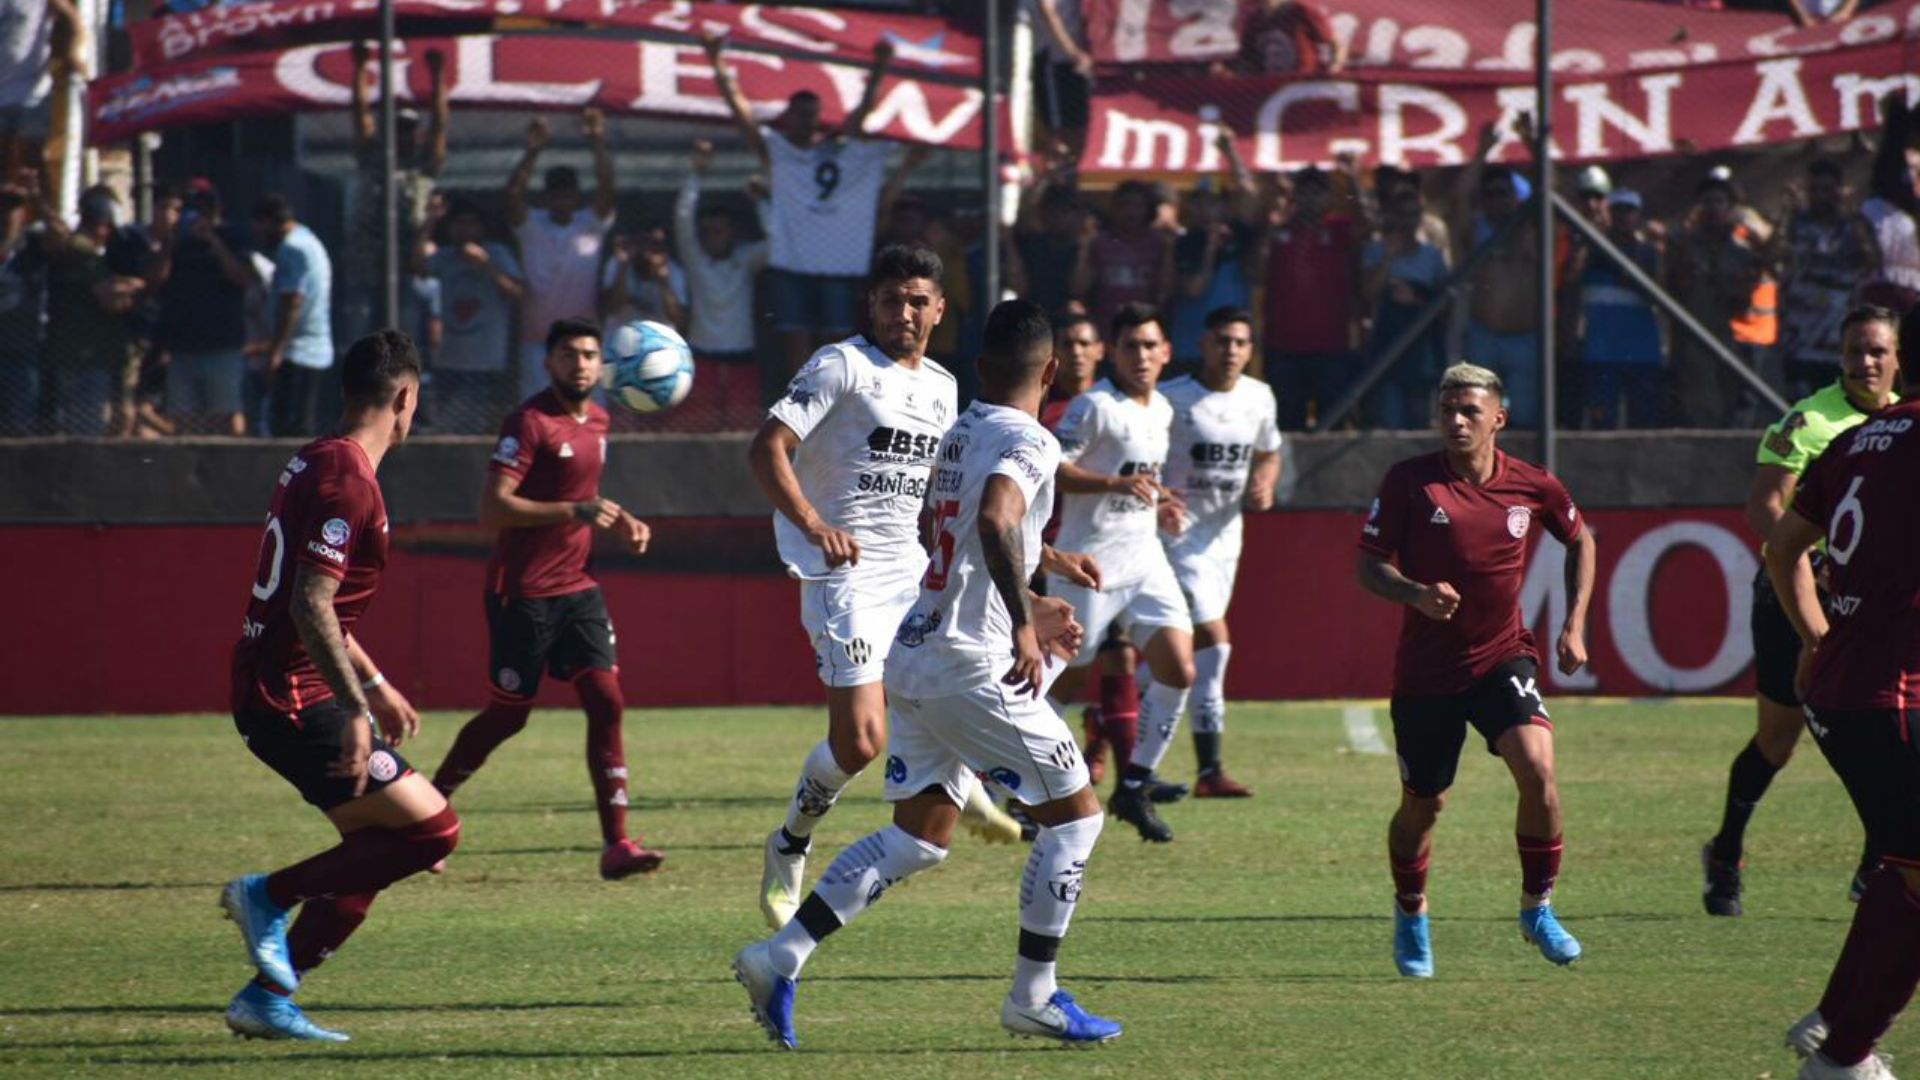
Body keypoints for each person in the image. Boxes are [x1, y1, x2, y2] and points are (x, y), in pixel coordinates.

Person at [730, 298, 1122, 1049]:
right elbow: (997, 518)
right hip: (966, 663)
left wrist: (1029, 593)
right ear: (1052, 371)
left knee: (921, 836)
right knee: (1077, 819)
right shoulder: (1030, 439)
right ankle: (1033, 995)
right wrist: (1018, 619)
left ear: (980, 368)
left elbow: (935, 528)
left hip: (911, 646)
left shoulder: (960, 430)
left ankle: (777, 958)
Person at [746, 244, 1021, 931]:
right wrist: (814, 524)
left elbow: (937, 492)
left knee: (955, 682)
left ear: (939, 308)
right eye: (891, 300)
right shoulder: (841, 364)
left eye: (917, 300)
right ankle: (789, 843)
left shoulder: (942, 386)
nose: (905, 312)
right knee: (863, 740)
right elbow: (766, 447)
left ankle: (962, 787)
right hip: (840, 570)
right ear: (872, 304)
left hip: (909, 566)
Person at [221, 329, 459, 1041]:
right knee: (436, 832)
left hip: (275, 685)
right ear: (406, 398)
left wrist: (376, 681)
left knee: (370, 860)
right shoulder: (348, 481)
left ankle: (266, 999)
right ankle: (265, 895)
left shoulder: (318, 459)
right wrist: (356, 707)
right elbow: (309, 604)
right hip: (290, 697)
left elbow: (317, 599)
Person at [1355, 361, 1597, 978]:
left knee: (1539, 768)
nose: (1456, 421)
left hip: (1501, 656)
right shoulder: (1411, 482)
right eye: (1446, 411)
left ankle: (1537, 908)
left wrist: (1574, 624)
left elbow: (1581, 538)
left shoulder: (1531, 484)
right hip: (1427, 675)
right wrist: (1414, 593)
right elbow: (1368, 565)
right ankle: (1411, 912)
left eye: (1468, 411)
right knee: (1423, 808)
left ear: (1499, 417)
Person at [429, 316, 662, 876]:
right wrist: (574, 512)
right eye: (567, 354)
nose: (578, 363)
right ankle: (426, 809)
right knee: (508, 716)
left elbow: (581, 492)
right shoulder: (529, 422)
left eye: (587, 355)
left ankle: (617, 846)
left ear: (601, 365)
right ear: (548, 362)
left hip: (578, 588)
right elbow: (493, 508)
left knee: (607, 701)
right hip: (523, 594)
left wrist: (618, 515)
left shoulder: (600, 418)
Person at [1702, 306, 1902, 917]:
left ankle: (1880, 864)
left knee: (1888, 729)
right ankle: (1726, 850)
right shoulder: (1810, 421)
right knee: (1779, 739)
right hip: (1793, 595)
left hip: (1874, 604)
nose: (1864, 362)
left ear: (1898, 358)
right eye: (1853, 352)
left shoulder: (1905, 422)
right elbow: (1764, 507)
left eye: (1875, 351)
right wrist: (1810, 563)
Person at [1762, 308, 1917, 1080]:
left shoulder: (1856, 440)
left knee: (1904, 861)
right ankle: (1845, 1058)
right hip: (1897, 694)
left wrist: (1819, 636)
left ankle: (1832, 1029)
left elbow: (1784, 545)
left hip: (1844, 688)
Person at [1046, 303, 1197, 841]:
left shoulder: (1161, 409)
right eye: (1130, 346)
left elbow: (1140, 479)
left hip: (1146, 558)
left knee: (1180, 668)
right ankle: (1016, 782)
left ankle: (1134, 785)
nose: (1141, 356)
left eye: (1150, 346)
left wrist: (1160, 505)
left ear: (1166, 353)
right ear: (1116, 352)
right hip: (1089, 561)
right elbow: (1053, 470)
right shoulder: (1093, 406)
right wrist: (1113, 486)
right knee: (1054, 680)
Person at [703, 30, 894, 380]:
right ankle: (802, 404)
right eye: (802, 114)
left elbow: (864, 110)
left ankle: (834, 401)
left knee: (837, 340)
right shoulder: (778, 151)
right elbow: (741, 113)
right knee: (796, 338)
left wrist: (880, 67)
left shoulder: (836, 147)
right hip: (793, 260)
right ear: (789, 115)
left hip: (836, 260)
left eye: (813, 114)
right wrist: (718, 63)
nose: (808, 121)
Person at [1150, 307, 1280, 796]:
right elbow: (1141, 452)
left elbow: (1268, 450)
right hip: (1176, 538)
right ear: (1204, 344)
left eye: (1240, 343)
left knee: (1176, 654)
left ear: (1251, 350)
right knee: (1214, 638)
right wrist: (1157, 494)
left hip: (1226, 538)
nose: (1231, 351)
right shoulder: (1173, 399)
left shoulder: (1259, 397)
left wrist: (1266, 480)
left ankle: (1111, 726)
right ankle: (1210, 770)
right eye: (1222, 341)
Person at [339, 40, 447, 349]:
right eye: (397, 127)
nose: (402, 134)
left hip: (407, 260)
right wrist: (360, 67)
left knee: (403, 339)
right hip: (367, 257)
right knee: (359, 337)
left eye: (408, 128)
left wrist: (437, 74)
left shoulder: (424, 163)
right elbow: (361, 115)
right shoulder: (374, 156)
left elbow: (439, 123)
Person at [505, 110, 618, 401]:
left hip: (583, 341)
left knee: (587, 422)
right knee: (538, 423)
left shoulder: (590, 225)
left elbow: (607, 185)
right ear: (546, 197)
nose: (562, 200)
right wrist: (532, 151)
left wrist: (597, 141)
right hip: (538, 343)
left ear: (577, 197)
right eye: (556, 194)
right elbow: (513, 194)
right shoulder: (532, 227)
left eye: (568, 194)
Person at [1451, 122, 1545, 429]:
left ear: (1515, 198)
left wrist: (1533, 147)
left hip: (1526, 338)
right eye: (1490, 193)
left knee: (1527, 418)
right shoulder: (1476, 230)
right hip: (1484, 337)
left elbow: (1553, 193)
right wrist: (1482, 151)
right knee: (1478, 418)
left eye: (1503, 193)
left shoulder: (1534, 231)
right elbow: (1459, 197)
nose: (1497, 199)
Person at [148, 178, 257, 435]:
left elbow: (242, 278)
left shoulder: (233, 236)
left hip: (222, 344)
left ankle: (232, 467)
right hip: (183, 346)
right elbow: (154, 282)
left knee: (227, 414)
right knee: (183, 417)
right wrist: (169, 244)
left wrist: (213, 241)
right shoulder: (177, 242)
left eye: (204, 207)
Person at [675, 138, 770, 429]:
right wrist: (696, 173)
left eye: (719, 230)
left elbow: (779, 243)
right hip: (701, 358)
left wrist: (761, 202)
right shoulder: (696, 259)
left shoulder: (746, 258)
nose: (712, 236)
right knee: (698, 431)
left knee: (741, 432)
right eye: (706, 232)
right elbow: (682, 218)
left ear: (733, 232)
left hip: (742, 357)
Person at [1773, 158, 1882, 401]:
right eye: (1814, 190)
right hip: (1799, 334)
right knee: (1800, 405)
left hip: (1837, 332)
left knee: (1837, 404)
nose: (1821, 196)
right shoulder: (1796, 222)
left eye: (1827, 189)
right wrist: (1785, 212)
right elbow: (1774, 257)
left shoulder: (1852, 226)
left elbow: (1872, 261)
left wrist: (1852, 212)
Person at [1261, 166, 1360, 429]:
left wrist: (1353, 180)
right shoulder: (1277, 232)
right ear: (1295, 197)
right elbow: (1254, 272)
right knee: (1287, 426)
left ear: (1328, 197)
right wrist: (1268, 233)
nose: (1311, 200)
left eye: (1318, 193)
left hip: (1331, 348)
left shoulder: (1340, 229)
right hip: (1283, 348)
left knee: (1333, 424)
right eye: (1305, 193)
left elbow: (1369, 225)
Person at [416, 194, 525, 430]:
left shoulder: (497, 253)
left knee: (487, 428)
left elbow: (518, 293)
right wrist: (429, 222)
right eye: (459, 223)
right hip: (449, 361)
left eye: (471, 223)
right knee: (448, 426)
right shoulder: (444, 257)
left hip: (487, 362)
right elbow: (416, 267)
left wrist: (486, 265)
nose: (466, 229)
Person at [40, 184, 143, 435]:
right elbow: (104, 293)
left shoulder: (79, 250)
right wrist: (132, 286)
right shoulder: (82, 251)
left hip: (81, 353)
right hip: (84, 355)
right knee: (88, 428)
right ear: (101, 224)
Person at [1667, 175, 1766, 428]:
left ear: (1730, 208)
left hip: (1734, 336)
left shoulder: (1742, 251)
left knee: (1735, 401)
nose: (1712, 208)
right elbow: (1675, 284)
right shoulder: (1684, 245)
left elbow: (1746, 293)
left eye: (1719, 201)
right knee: (1699, 402)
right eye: (1706, 202)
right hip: (1695, 335)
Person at [1572, 189, 1666, 429]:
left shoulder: (1650, 253)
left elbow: (1660, 293)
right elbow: (1572, 278)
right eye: (1618, 211)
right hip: (1601, 350)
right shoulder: (1591, 251)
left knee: (1644, 421)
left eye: (1629, 211)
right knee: (1601, 420)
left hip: (1642, 351)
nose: (1623, 217)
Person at [1362, 184, 1451, 429]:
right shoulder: (1376, 251)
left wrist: (1417, 300)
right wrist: (1389, 256)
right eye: (1401, 213)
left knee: (1420, 421)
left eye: (1412, 214)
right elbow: (1367, 294)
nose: (1406, 220)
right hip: (1387, 348)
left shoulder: (1432, 256)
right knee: (1390, 421)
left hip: (1422, 352)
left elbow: (1445, 304)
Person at [253, 194, 335, 438]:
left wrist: (276, 350)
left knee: (288, 429)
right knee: (301, 425)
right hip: (313, 348)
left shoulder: (292, 248)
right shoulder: (309, 239)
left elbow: (293, 301)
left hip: (298, 351)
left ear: (267, 221)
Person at [1071, 180, 1174, 341]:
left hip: (1145, 331)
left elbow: (1167, 289)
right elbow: (1079, 287)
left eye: (1137, 206)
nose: (1130, 212)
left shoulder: (1158, 244)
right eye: (1124, 205)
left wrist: (1168, 251)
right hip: (1105, 331)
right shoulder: (1100, 243)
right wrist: (1085, 247)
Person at [0, 174, 46, 434]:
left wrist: (38, 199)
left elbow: (61, 237)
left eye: (13, 208)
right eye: (2, 208)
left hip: (21, 349)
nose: (6, 216)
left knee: (20, 426)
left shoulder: (34, 246)